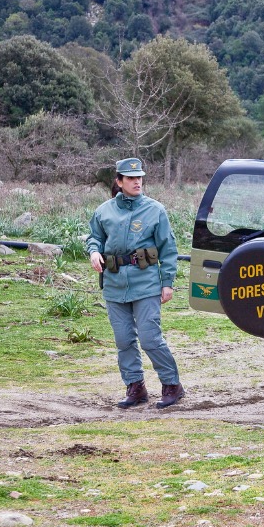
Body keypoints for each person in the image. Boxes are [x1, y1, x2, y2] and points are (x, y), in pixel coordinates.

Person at [87, 158, 185, 409]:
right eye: (131, 178)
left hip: (146, 282)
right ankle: (135, 387)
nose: (137, 181)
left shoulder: (155, 210)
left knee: (151, 338)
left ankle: (172, 385)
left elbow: (168, 250)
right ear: (119, 182)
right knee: (123, 340)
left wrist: (168, 283)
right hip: (114, 283)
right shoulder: (104, 211)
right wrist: (94, 252)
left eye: (139, 177)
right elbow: (94, 238)